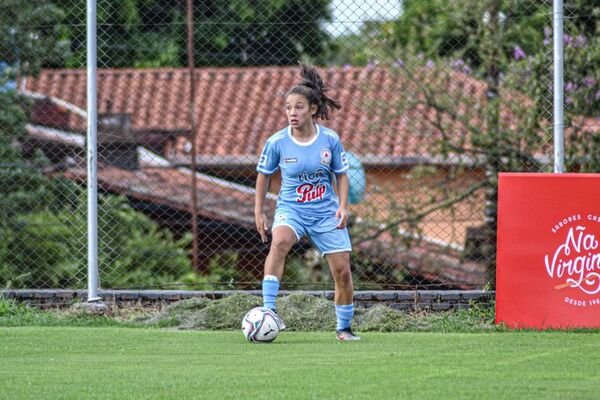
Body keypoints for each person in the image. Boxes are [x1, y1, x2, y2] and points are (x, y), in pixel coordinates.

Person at [254, 63, 360, 341]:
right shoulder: (276, 142)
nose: (292, 113)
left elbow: (342, 176)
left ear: (313, 109)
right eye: (288, 108)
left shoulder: (330, 140)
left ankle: (344, 328)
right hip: (291, 209)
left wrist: (342, 206)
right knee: (279, 243)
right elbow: (263, 178)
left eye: (298, 107)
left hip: (326, 212)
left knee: (343, 271)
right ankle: (269, 311)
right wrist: (259, 213)